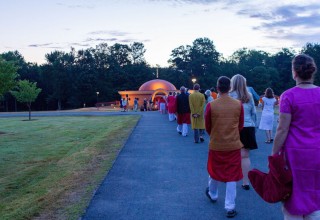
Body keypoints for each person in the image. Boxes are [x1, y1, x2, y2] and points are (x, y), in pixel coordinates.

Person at [272, 54, 320, 220]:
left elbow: (282, 129)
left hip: (294, 154)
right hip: (317, 152)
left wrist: (274, 155)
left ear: (294, 72)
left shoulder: (288, 95)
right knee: (315, 193)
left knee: (292, 195)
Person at [205, 76, 244, 218]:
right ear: (230, 88)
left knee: (214, 170)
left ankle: (213, 193)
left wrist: (215, 135)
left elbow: (208, 126)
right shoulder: (238, 104)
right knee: (232, 175)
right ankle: (230, 206)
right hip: (233, 144)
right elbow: (240, 125)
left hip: (216, 143)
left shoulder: (211, 105)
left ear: (217, 88)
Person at [229, 74, 258, 190]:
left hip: (233, 127)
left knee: (231, 154)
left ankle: (230, 178)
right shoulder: (249, 95)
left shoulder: (229, 95)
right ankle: (245, 182)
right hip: (248, 126)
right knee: (245, 156)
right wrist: (254, 128)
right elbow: (254, 113)